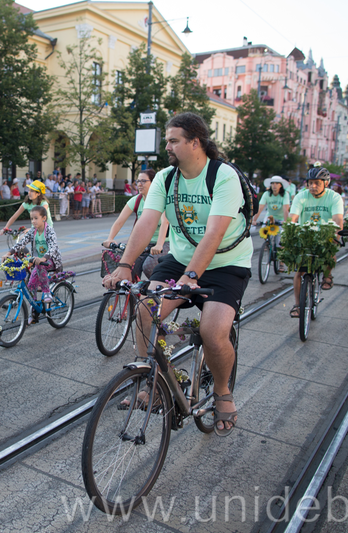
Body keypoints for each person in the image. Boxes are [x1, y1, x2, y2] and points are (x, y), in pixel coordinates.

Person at [104, 112, 253, 436]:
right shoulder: (166, 178)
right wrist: (125, 265)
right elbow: (147, 222)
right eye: (167, 141)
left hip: (226, 264)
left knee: (213, 332)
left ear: (195, 142)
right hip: (181, 259)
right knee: (145, 311)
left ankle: (223, 392)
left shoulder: (223, 176)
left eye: (173, 141)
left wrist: (193, 275)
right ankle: (149, 382)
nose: (167, 147)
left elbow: (214, 232)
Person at [288, 166, 344, 314]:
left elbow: (338, 219)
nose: (313, 186)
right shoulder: (301, 196)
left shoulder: (334, 197)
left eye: (317, 183)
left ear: (326, 183)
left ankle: (327, 275)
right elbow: (293, 217)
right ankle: (298, 305)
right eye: (310, 183)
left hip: (326, 234)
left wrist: (336, 237)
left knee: (330, 253)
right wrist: (288, 234)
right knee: (299, 272)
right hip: (305, 235)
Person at [103, 169, 169, 280]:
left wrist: (159, 244)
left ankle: (159, 288)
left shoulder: (161, 200)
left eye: (143, 181)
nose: (139, 184)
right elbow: (119, 221)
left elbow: (165, 222)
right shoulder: (136, 200)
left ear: (153, 183)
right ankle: (132, 291)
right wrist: (110, 238)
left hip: (165, 242)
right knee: (127, 267)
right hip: (143, 242)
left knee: (149, 267)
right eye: (138, 181)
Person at [4, 205, 62, 324]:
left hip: (51, 261)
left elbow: (53, 247)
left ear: (44, 218)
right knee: (31, 286)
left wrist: (44, 258)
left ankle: (47, 292)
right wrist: (9, 253)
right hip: (38, 262)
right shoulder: (33, 231)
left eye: (36, 218)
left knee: (40, 265)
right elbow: (22, 242)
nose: (33, 221)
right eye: (32, 219)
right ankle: (34, 313)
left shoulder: (49, 231)